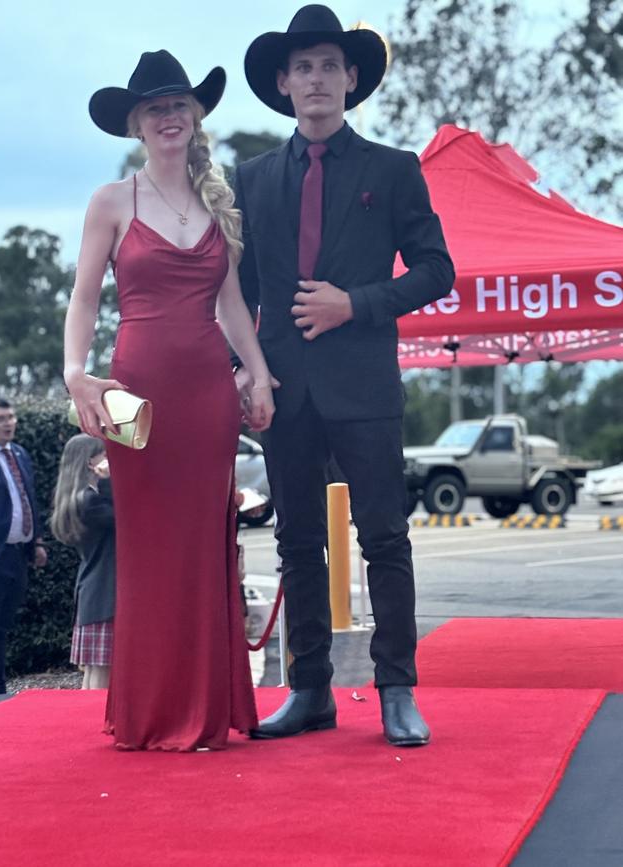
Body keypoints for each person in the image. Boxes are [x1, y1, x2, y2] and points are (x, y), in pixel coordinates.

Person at [235, 5, 456, 746]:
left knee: (385, 537)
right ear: (283, 84)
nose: (317, 78)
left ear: (352, 78)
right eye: (303, 67)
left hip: (364, 384)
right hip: (283, 389)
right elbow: (237, 292)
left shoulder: (393, 169)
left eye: (330, 64)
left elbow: (436, 270)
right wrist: (249, 371)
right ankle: (310, 690)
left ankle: (396, 688)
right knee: (297, 541)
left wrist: (353, 304)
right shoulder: (253, 177)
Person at [64, 50, 275, 750]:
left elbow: (235, 305)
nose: (168, 116)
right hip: (133, 392)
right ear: (135, 123)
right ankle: (152, 710)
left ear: (196, 115)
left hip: (210, 394)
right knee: (149, 544)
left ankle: (205, 707)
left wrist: (261, 375)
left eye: (178, 104)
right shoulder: (109, 202)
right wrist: (75, 373)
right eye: (154, 108)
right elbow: (86, 298)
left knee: (203, 544)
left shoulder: (218, 199)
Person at [0, 398, 47, 694]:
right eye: (1, 418)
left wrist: (37, 542)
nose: (9, 423)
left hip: (16, 553)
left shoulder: (19, 454)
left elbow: (29, 498)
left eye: (12, 417)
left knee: (2, 624)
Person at [51, 434, 115, 690]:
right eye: (105, 455)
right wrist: (109, 480)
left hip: (94, 591)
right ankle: (93, 723)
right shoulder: (92, 501)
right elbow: (123, 515)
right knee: (102, 669)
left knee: (94, 668)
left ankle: (88, 722)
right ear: (91, 462)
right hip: (104, 593)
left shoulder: (80, 498)